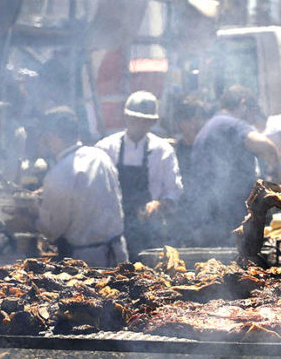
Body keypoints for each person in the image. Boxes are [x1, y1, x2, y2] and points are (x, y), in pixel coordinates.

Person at [189, 85, 281, 246]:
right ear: (243, 103)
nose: (253, 119)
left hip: (210, 216)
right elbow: (266, 146)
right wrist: (279, 172)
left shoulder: (213, 125)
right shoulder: (230, 124)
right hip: (227, 216)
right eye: (253, 112)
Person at [95, 91, 183, 260]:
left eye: (145, 121)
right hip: (114, 228)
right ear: (126, 118)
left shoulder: (163, 150)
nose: (138, 125)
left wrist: (159, 204)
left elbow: (174, 190)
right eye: (134, 119)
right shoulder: (105, 148)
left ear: (152, 122)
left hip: (149, 230)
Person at [37, 106, 128, 267]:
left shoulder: (58, 174)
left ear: (52, 137)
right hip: (118, 253)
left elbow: (52, 230)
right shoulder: (101, 156)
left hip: (86, 261)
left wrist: (33, 214)